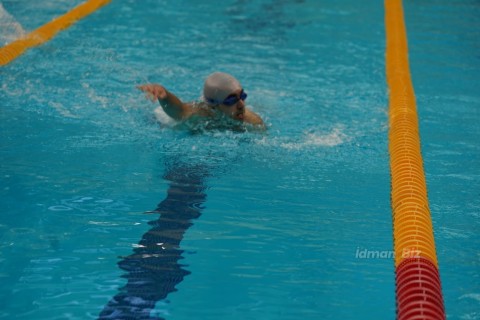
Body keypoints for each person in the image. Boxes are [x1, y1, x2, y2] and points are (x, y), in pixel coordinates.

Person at [137, 72, 265, 130]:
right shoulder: (200, 113)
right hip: (163, 120)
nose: (241, 104)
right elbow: (178, 110)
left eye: (242, 96)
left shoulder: (253, 121)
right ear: (214, 104)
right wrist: (164, 95)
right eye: (231, 100)